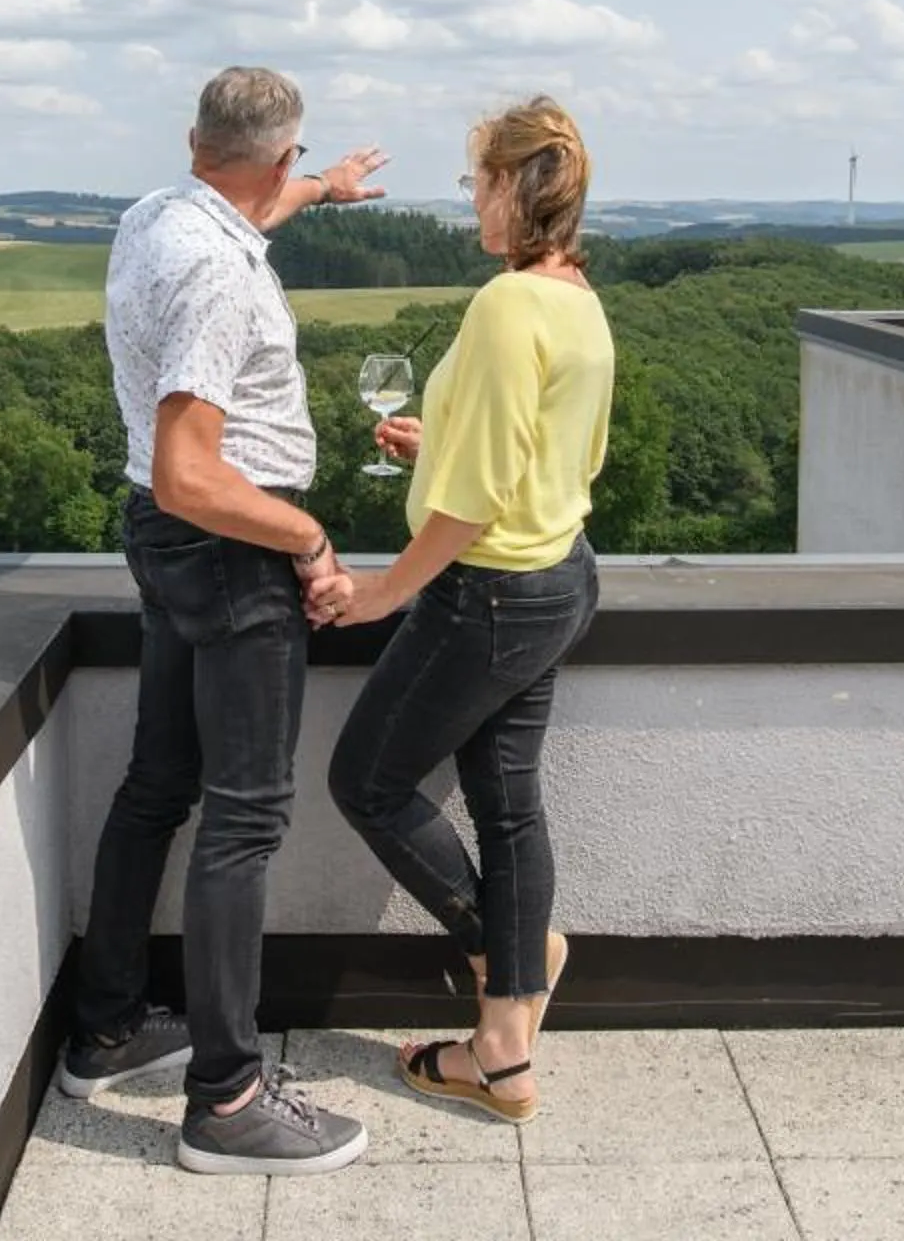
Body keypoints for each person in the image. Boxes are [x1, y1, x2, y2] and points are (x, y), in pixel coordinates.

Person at [57, 66, 390, 1176]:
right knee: (244, 820)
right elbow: (190, 471)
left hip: (163, 547)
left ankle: (107, 1029)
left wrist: (325, 190)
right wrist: (306, 537)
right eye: (297, 168)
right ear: (278, 154)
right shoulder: (217, 274)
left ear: (195, 139)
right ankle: (228, 1100)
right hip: (232, 547)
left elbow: (253, 207)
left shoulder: (159, 215)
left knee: (158, 784)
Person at [319, 97, 613, 1125]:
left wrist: (381, 591)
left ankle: (510, 959)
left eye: (474, 182)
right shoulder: (576, 296)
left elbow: (480, 495)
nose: (470, 202)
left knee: (366, 780)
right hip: (560, 575)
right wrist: (434, 443)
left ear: (511, 186)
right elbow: (549, 448)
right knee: (507, 801)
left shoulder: (505, 304)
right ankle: (503, 1050)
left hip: (488, 590)